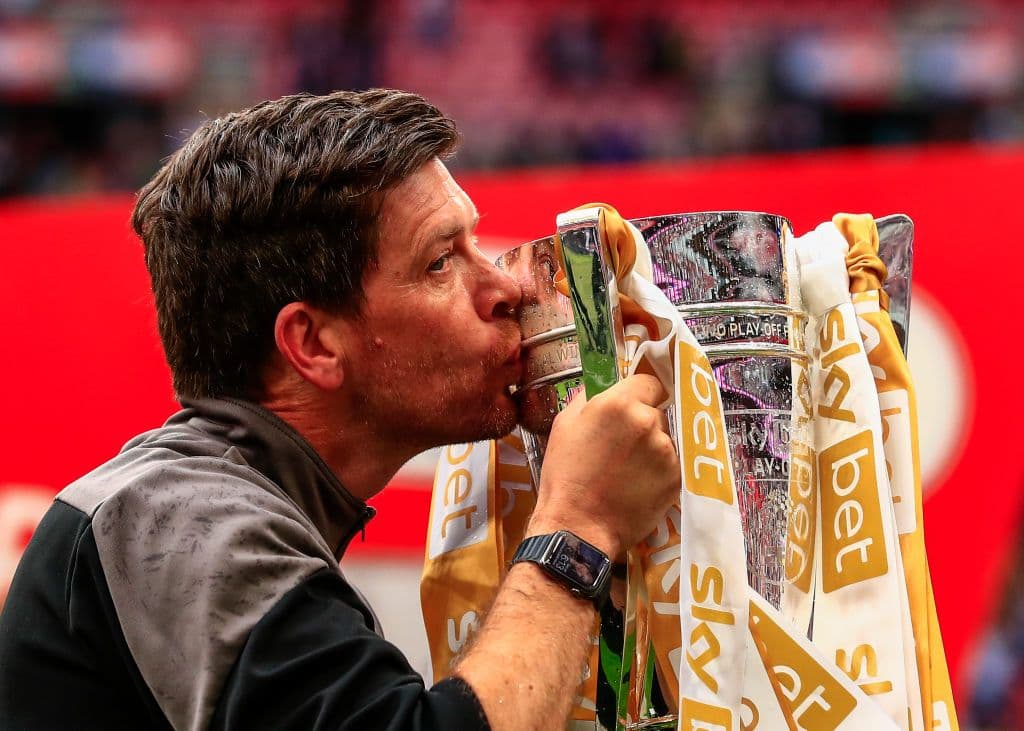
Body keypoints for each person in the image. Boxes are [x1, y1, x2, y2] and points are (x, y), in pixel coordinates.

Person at [0, 89, 678, 730]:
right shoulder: (178, 516)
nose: (502, 285)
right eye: (442, 261)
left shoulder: (202, 505)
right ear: (313, 343)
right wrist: (577, 524)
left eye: (478, 244)